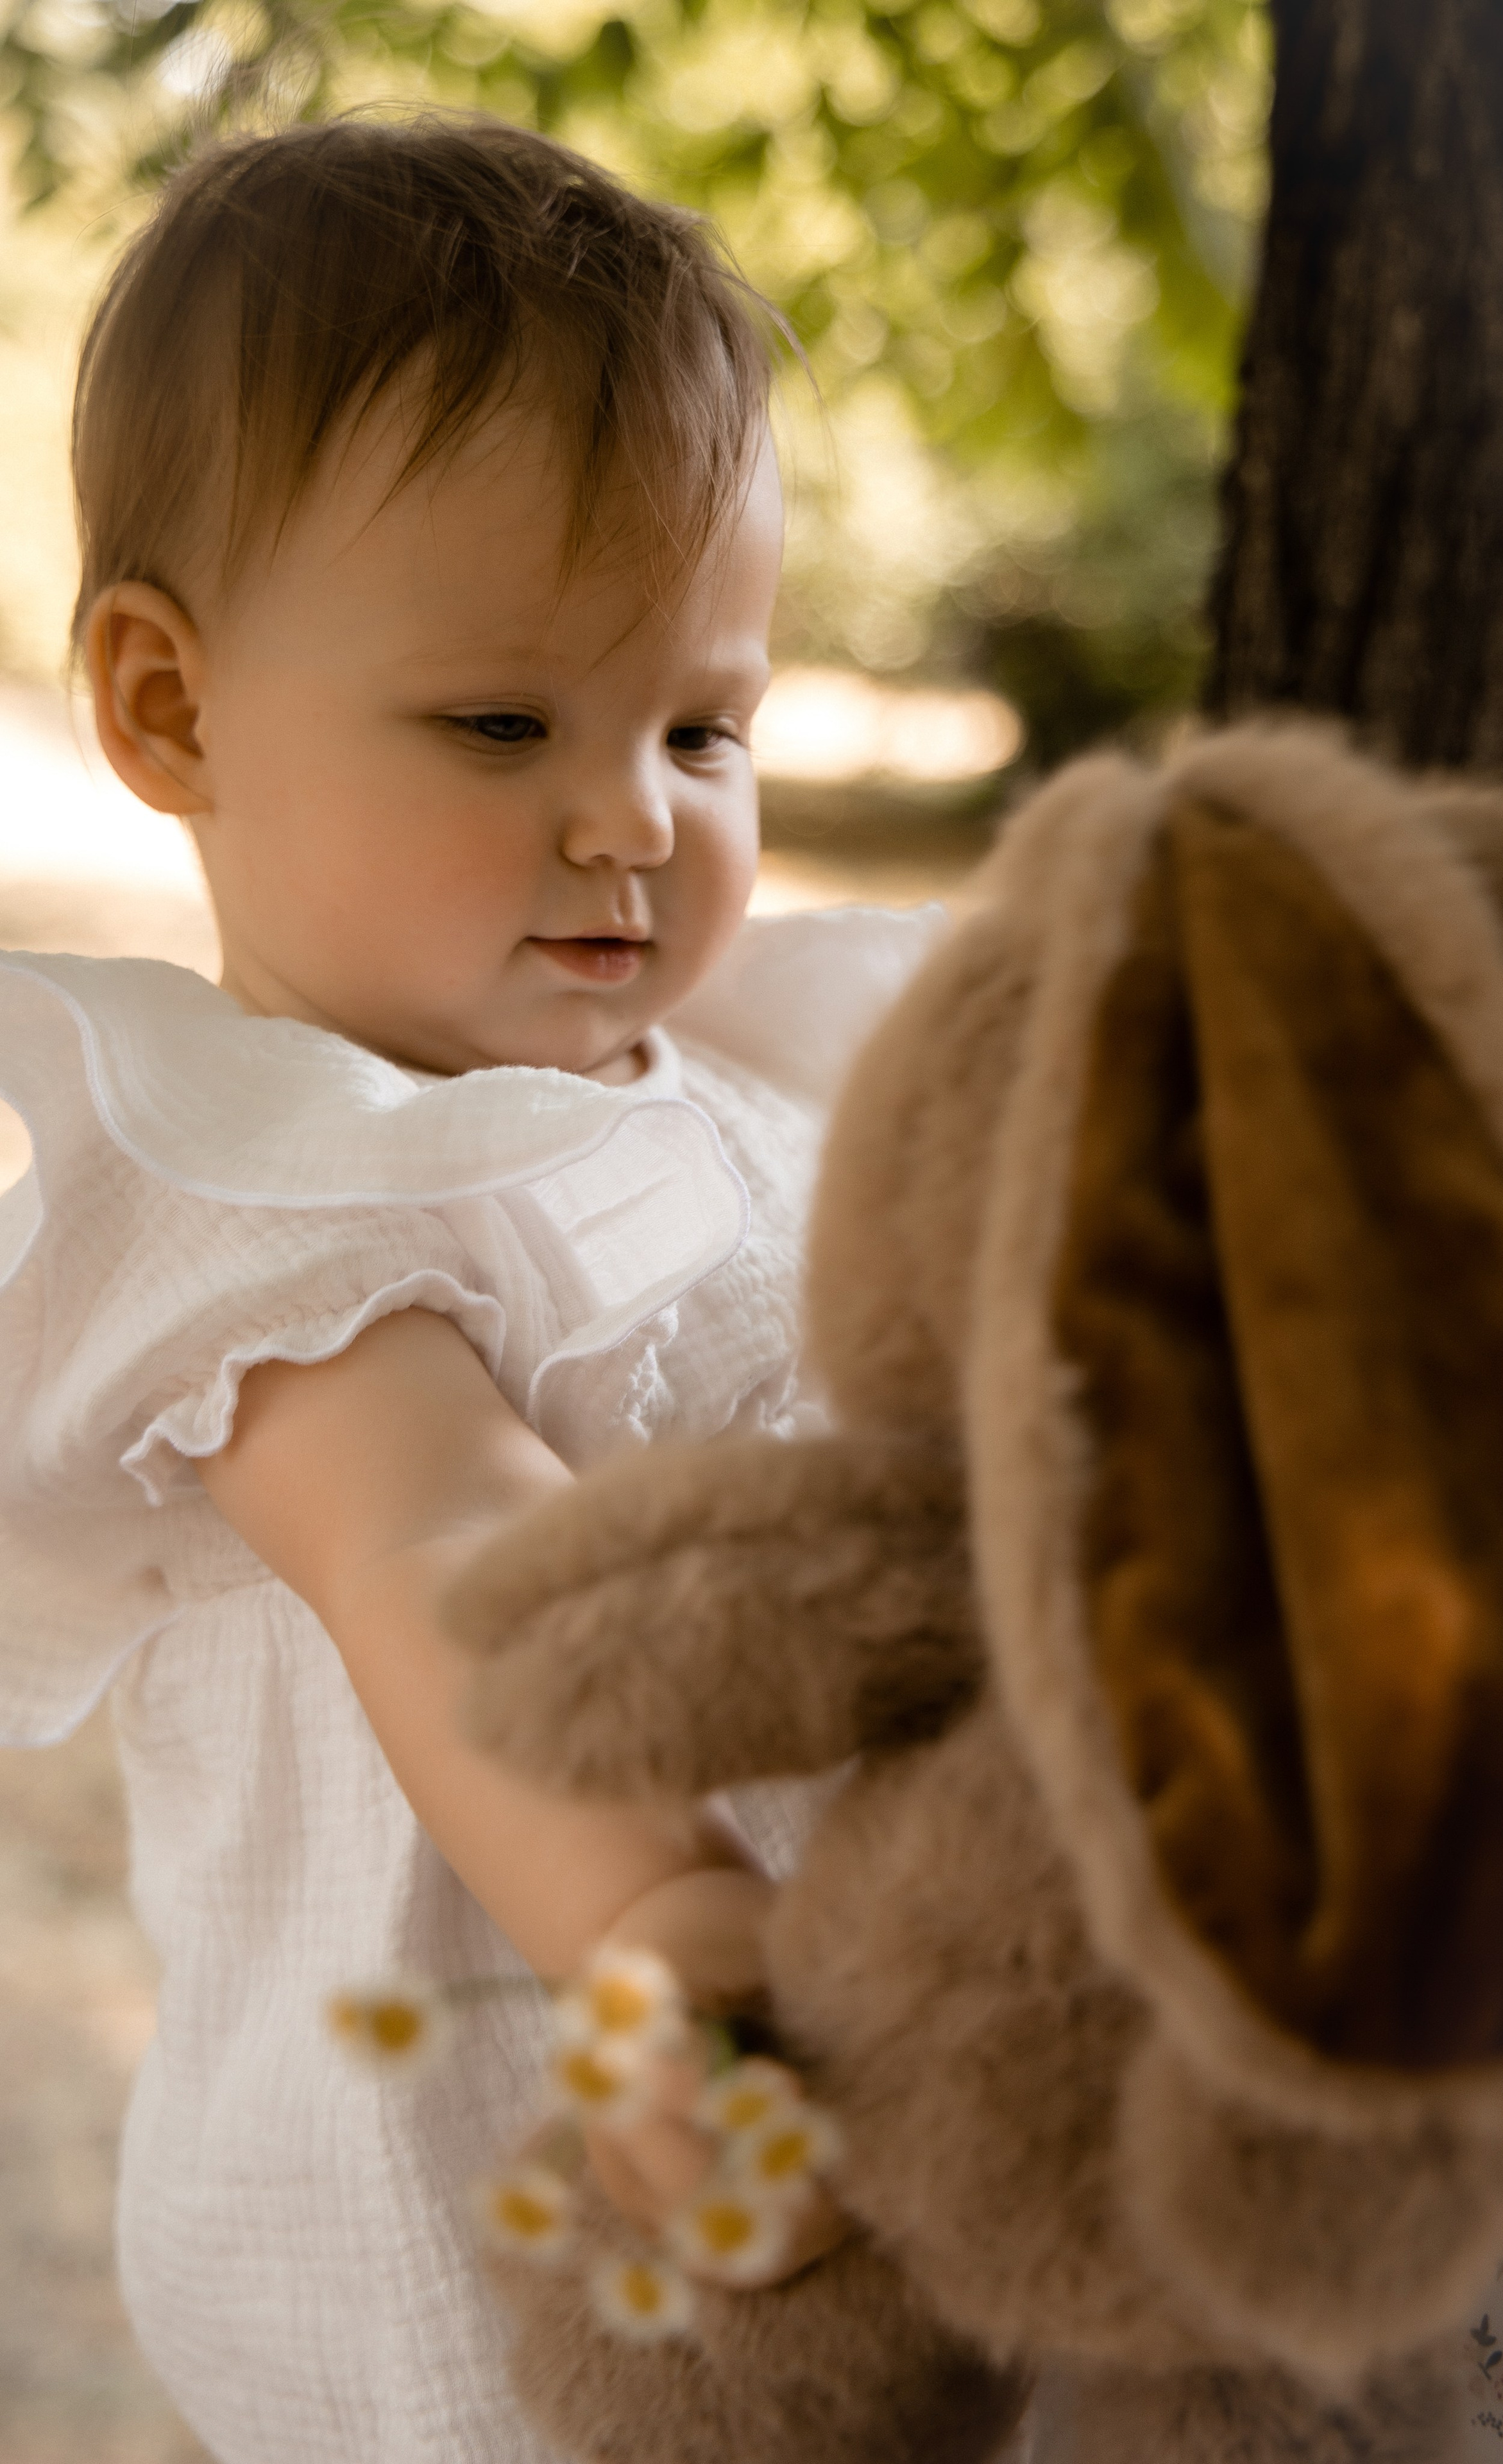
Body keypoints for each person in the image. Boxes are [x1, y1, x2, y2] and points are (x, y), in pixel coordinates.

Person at [0, 116, 940, 2464]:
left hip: (867, 2137)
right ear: (172, 711)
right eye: (507, 724)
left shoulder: (712, 1083)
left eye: (702, 726)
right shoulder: (291, 1207)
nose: (633, 816)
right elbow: (451, 1557)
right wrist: (652, 1929)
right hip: (527, 2188)